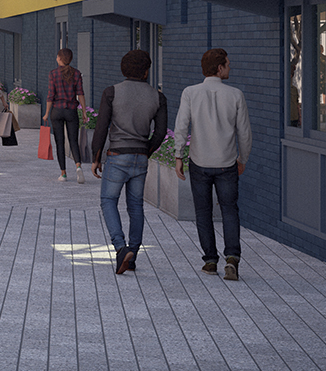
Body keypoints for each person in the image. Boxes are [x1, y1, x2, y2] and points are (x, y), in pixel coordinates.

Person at [173, 48, 252, 281]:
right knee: (229, 209)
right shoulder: (235, 94)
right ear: (219, 68)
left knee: (203, 212)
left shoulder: (190, 92)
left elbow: (181, 126)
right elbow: (245, 133)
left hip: (199, 161)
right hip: (227, 162)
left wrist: (179, 155)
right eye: (227, 64)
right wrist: (242, 159)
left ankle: (210, 261)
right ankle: (232, 259)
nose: (230, 67)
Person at [91, 48, 168, 275]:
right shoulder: (158, 97)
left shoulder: (111, 92)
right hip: (140, 157)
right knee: (135, 206)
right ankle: (132, 254)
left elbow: (102, 126)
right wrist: (147, 150)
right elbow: (161, 131)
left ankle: (120, 248)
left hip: (117, 156)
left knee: (108, 200)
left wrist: (96, 157)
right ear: (146, 72)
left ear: (123, 69)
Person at [46, 47, 87, 183]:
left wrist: (46, 113)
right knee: (73, 140)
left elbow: (51, 95)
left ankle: (63, 174)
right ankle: (78, 166)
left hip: (57, 110)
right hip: (71, 110)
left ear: (60, 59)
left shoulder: (53, 74)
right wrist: (84, 112)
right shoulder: (77, 74)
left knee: (60, 142)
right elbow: (80, 93)